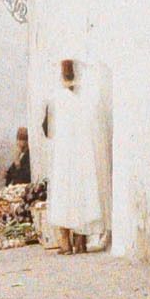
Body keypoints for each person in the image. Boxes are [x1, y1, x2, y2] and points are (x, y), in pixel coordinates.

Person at [43, 58, 105, 253]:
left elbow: (47, 129)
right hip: (83, 155)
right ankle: (81, 242)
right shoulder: (86, 98)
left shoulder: (56, 98)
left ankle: (65, 244)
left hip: (63, 155)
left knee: (64, 193)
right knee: (82, 191)